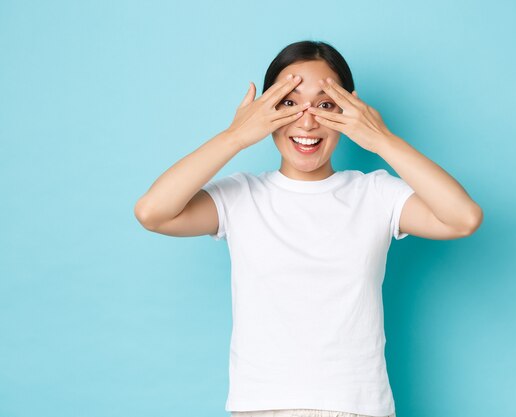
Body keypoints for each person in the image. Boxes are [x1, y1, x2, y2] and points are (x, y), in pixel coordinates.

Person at [134, 40, 483, 417]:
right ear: (265, 111)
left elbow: (463, 218)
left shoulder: (375, 194)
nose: (307, 121)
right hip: (260, 407)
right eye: (288, 102)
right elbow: (153, 212)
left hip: (358, 407)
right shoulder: (242, 196)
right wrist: (235, 136)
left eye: (326, 104)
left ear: (349, 111)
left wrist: (380, 138)